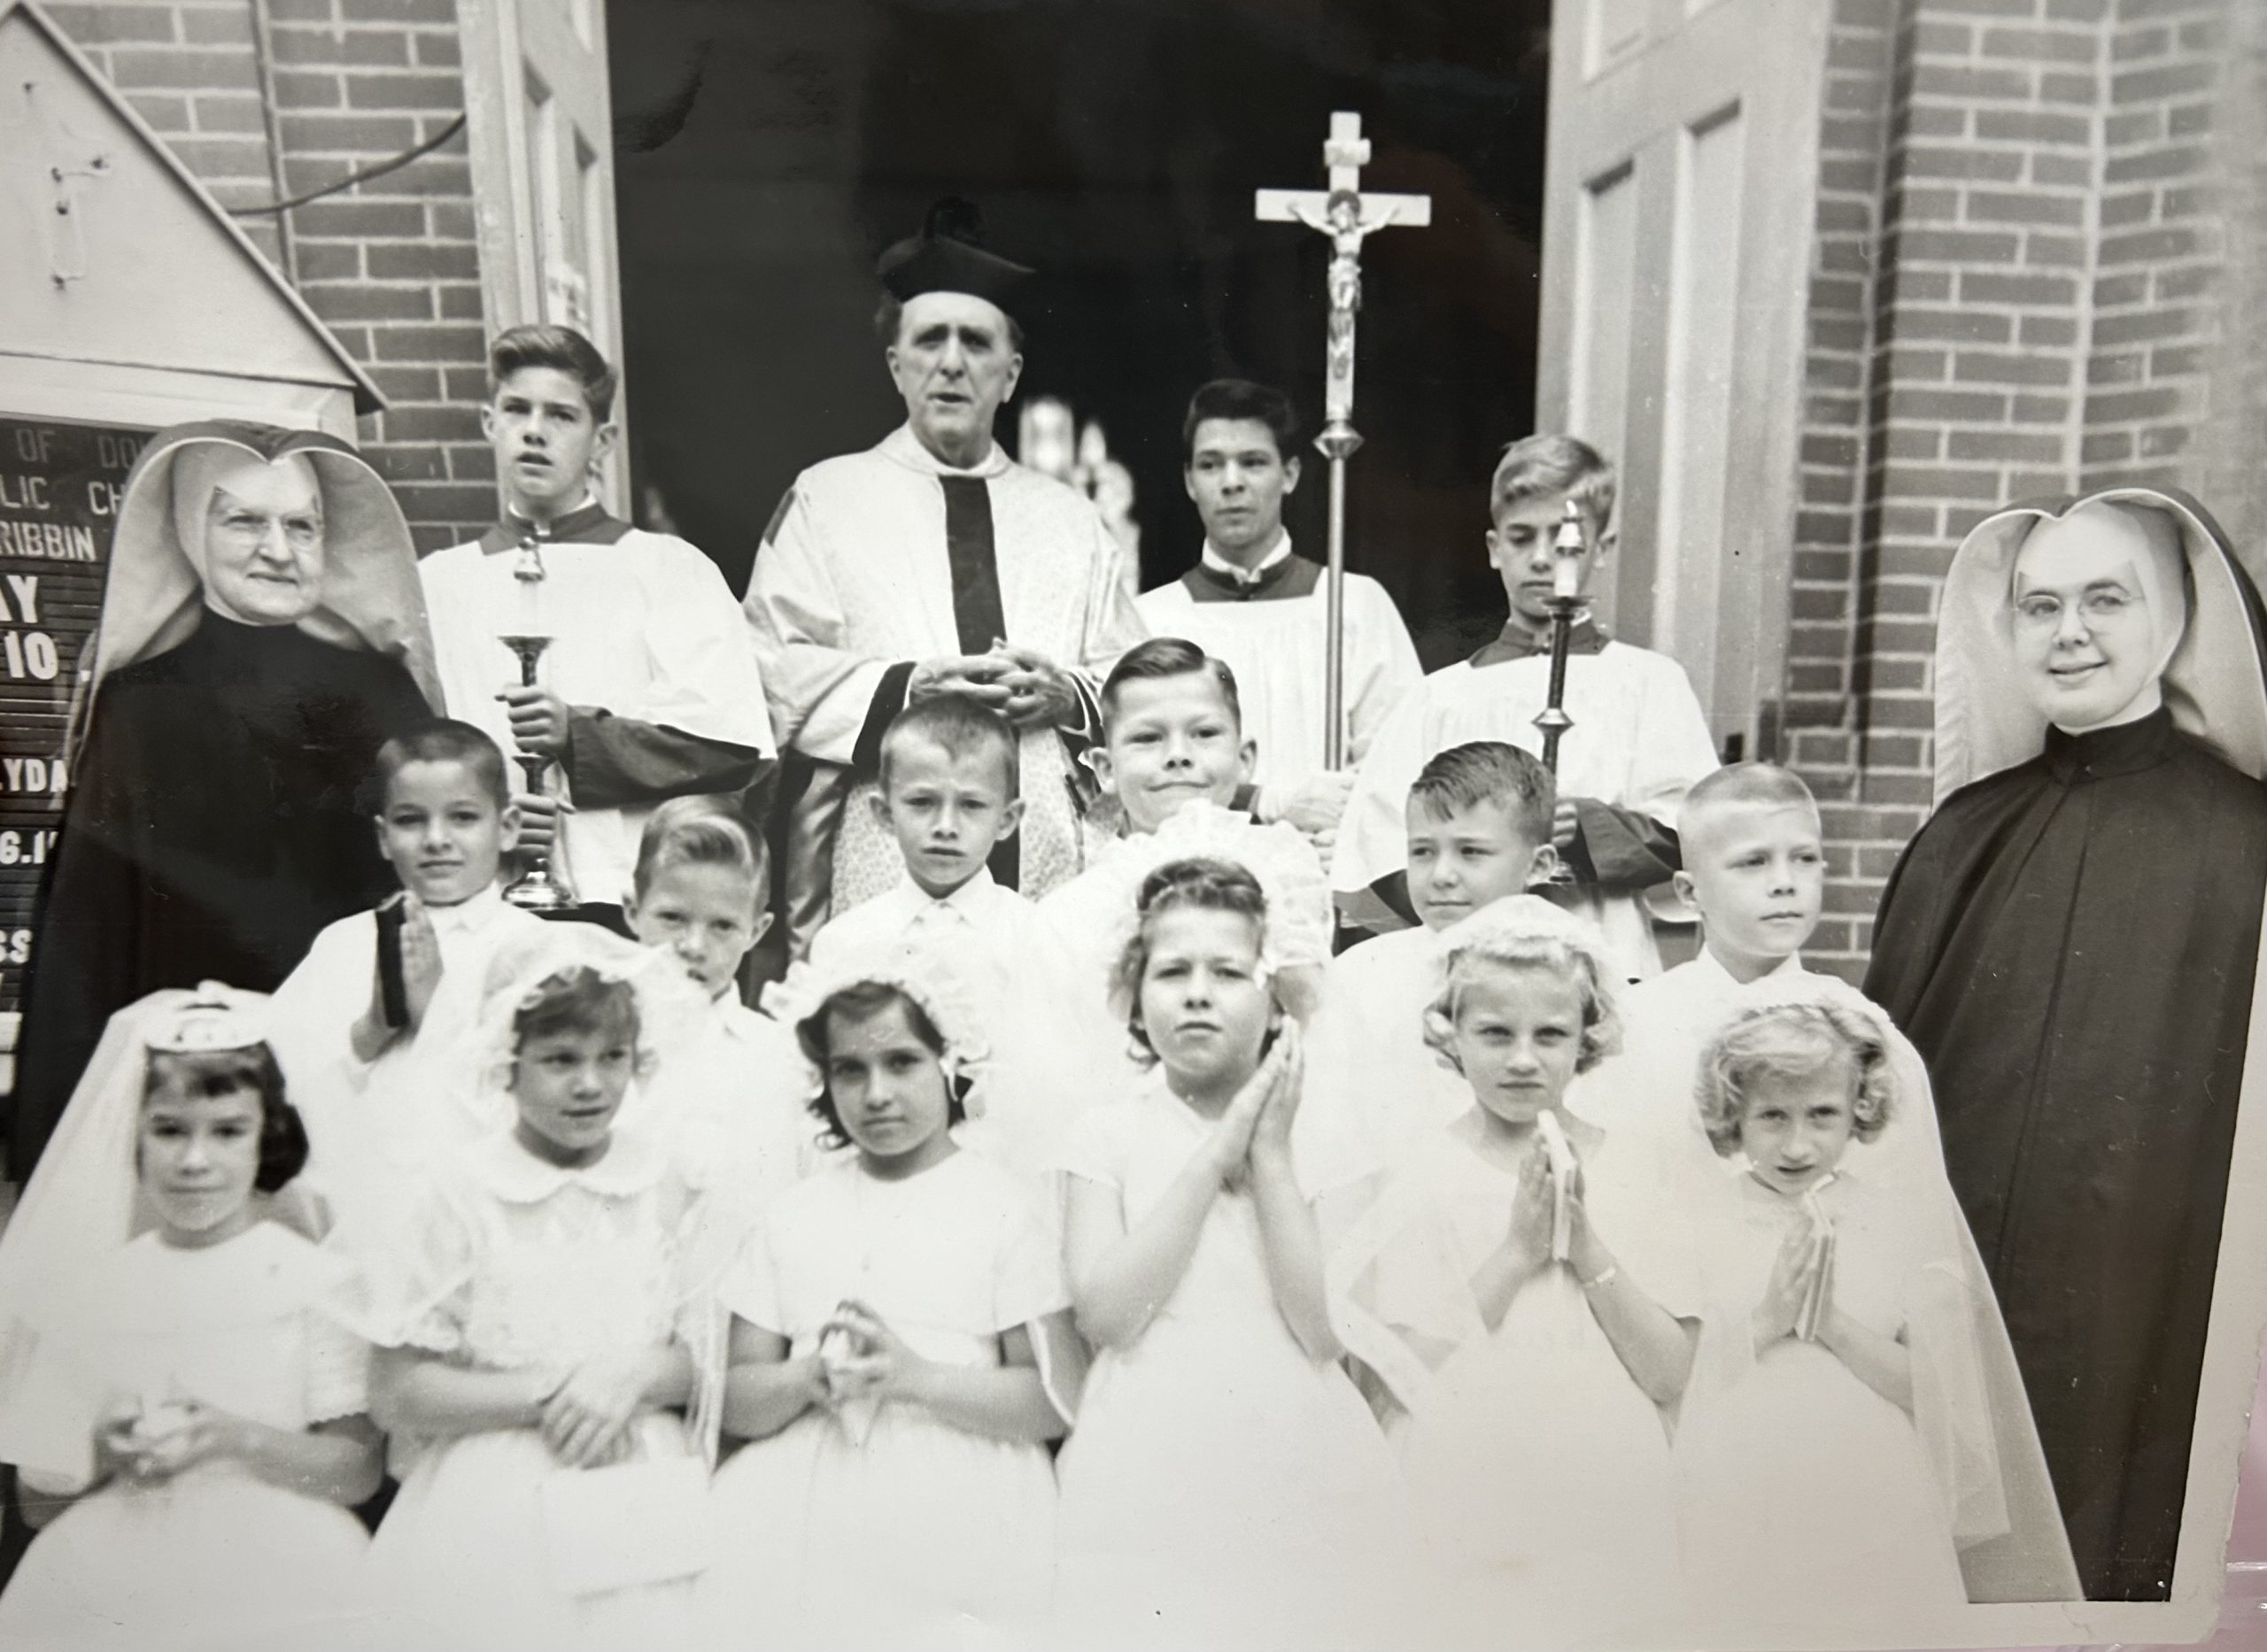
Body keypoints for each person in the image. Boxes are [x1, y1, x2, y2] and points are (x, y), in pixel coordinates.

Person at [1865, 488, 2267, 1601]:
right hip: (1961, 1297)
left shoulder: (2247, 844)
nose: (2068, 632)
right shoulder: (1959, 835)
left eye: (2105, 600)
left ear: (2172, 620)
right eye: (2039, 607)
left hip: (2149, 1304)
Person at [9, 423, 439, 1182]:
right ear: (189, 530)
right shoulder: (138, 705)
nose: (278, 549)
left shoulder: (385, 695)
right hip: (198, 1087)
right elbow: (90, 937)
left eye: (302, 526)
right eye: (245, 521)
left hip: (359, 1066)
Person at [746, 198, 1147, 953]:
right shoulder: (828, 499)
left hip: (1046, 842)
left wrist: (1068, 695)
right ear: (896, 365)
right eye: (930, 340)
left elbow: (1134, 678)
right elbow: (770, 664)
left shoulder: (1070, 519)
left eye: (977, 342)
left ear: (1010, 373)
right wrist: (906, 688)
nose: (952, 362)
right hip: (884, 839)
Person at [1052, 858, 1410, 1651]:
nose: (1197, 994)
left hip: (1295, 1438)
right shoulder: (1105, 1135)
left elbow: (1325, 1330)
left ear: (1276, 994)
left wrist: (1271, 1157)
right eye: (1171, 971)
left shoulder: (1329, 1130)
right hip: (1145, 1441)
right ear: (1134, 994)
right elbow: (1107, 1317)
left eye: (1228, 972)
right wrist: (1216, 1157)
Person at [1328, 900, 1697, 1649]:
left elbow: (1671, 1373)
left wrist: (1584, 1246)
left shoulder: (1637, 1166)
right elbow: (1389, 1380)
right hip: (1462, 1474)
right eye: (1495, 1034)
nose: (1523, 1059)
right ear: (1451, 1035)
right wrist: (1516, 1254)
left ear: (1588, 1039)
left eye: (1550, 1035)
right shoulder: (1417, 1173)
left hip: (1603, 1475)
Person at [0, 985, 391, 1652]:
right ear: (133, 1135)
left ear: (266, 1136)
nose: (194, 1161)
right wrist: (103, 1451)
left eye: (228, 1131)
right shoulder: (91, 1292)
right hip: (112, 1579)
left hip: (284, 1571)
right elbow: (36, 1502)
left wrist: (232, 1437)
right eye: (170, 1130)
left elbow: (355, 1472)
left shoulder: (316, 1283)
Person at [704, 962, 1081, 1650]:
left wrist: (917, 1378)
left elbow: (1053, 1401)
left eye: (902, 1062)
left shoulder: (1003, 1207)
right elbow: (734, 1396)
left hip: (962, 1508)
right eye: (850, 1070)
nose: (876, 1094)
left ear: (950, 1063)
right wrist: (804, 1378)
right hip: (802, 1511)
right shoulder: (792, 1214)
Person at [357, 929, 717, 1649]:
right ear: (506, 1061)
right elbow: (397, 1392)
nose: (591, 1084)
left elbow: (705, 1357)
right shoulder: (457, 1191)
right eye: (560, 1060)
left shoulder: (669, 1182)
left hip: (639, 1485)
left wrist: (633, 1375)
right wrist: (556, 1393)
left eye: (613, 1057)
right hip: (495, 1492)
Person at [1675, 1000, 2080, 1639]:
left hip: (1869, 1476)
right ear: (1735, 1113)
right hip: (1741, 1473)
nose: (1798, 1144)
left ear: (1859, 1110)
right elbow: (1675, 1380)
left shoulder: (1894, 1222)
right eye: (1773, 1116)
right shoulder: (1698, 1220)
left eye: (1823, 1115)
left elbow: (1934, 1393)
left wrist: (1829, 1322)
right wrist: (1770, 1319)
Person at [421, 325, 774, 929]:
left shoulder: (668, 570)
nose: (535, 431)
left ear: (602, 440)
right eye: (517, 410)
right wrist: (491, 823)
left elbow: (728, 747)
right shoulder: (438, 583)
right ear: (489, 423)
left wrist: (577, 736)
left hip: (624, 894)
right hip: (483, 897)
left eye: (561, 415)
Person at [1332, 435, 1719, 983]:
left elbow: (1699, 836)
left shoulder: (1650, 683)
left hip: (1606, 958)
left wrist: (1587, 828)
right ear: (1494, 548)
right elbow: (1378, 851)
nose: (1541, 558)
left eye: (1563, 541)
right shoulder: (1440, 696)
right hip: (1467, 970)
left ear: (1601, 548)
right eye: (1521, 538)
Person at [265, 719, 550, 1228]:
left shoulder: (536, 948)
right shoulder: (342, 946)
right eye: (411, 820)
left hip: (483, 1211)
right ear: (383, 836)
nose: (436, 839)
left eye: (463, 817)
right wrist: (371, 1030)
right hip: (360, 1204)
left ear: (507, 827)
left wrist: (441, 1015)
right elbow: (281, 1088)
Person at [807, 695, 1092, 1180]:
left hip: (1006, 1174)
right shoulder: (846, 942)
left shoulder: (1035, 935)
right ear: (883, 812)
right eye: (921, 803)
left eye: (972, 805)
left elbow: (1053, 1083)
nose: (945, 827)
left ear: (1007, 819)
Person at [1134, 379, 1420, 841]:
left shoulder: (1352, 605)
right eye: (1211, 465)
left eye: (1253, 462)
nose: (1231, 483)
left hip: (1327, 856)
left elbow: (1400, 756)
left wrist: (1337, 821)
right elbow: (1139, 772)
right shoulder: (1150, 619)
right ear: (1189, 481)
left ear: (1289, 474)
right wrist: (1261, 803)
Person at [1038, 640, 1334, 1032]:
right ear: (1106, 769)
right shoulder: (1072, 912)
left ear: (1244, 758)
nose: (1178, 754)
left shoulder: (1289, 881)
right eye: (1148, 738)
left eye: (1205, 733)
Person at [1304, 742, 1560, 1161]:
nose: (1441, 875)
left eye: (1471, 852)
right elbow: (1327, 1123)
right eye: (1422, 851)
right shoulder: (1359, 975)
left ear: (1539, 865)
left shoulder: (1571, 974)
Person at [620, 798, 816, 1200]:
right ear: (633, 911)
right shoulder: (595, 1043)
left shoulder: (782, 1056)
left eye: (723, 926)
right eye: (672, 918)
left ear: (757, 931)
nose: (694, 946)